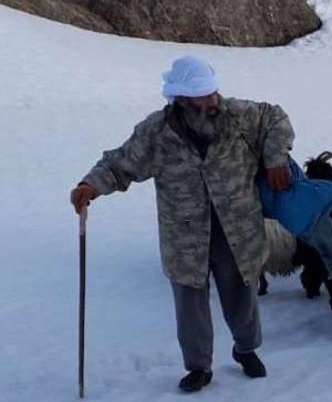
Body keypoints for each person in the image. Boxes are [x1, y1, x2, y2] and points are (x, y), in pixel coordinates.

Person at [69, 56, 295, 393]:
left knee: (241, 292)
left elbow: (277, 118)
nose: (211, 101)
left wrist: (276, 158)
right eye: (201, 96)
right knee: (190, 301)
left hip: (237, 228)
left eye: (212, 93)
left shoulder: (241, 116)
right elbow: (120, 164)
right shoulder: (157, 132)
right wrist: (91, 186)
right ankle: (199, 367)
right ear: (181, 100)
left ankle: (246, 349)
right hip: (185, 235)